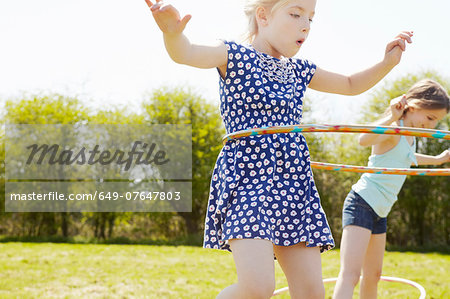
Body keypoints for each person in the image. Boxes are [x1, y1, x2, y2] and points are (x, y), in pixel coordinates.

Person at [145, 0, 413, 297]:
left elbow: (350, 84)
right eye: (296, 14)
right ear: (263, 16)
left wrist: (388, 63)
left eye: (311, 18)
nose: (305, 25)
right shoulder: (233, 54)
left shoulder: (299, 70)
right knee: (257, 287)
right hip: (248, 179)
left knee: (312, 292)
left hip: (293, 183)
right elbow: (187, 52)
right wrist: (172, 34)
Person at [333, 79, 450, 299]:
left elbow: (406, 159)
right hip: (362, 203)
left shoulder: (410, 136)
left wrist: (438, 159)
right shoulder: (393, 129)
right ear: (413, 106)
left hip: (380, 211)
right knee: (351, 274)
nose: (432, 126)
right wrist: (391, 116)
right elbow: (363, 139)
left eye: (437, 121)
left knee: (373, 275)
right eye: (430, 118)